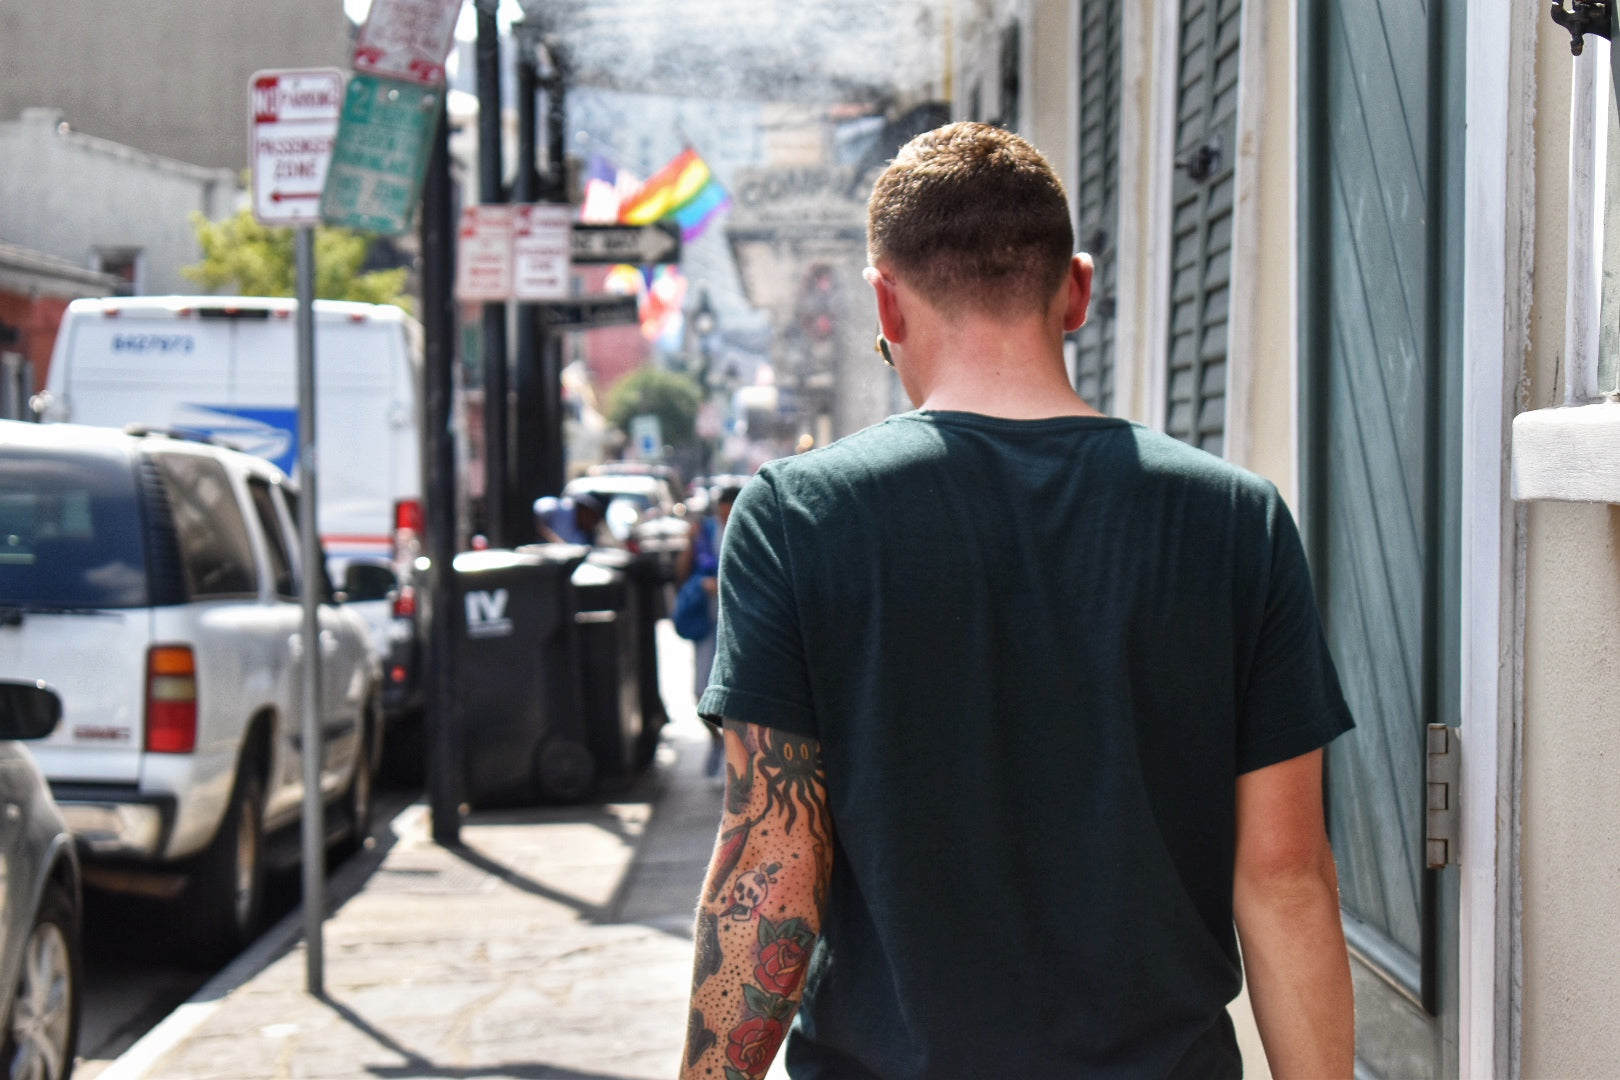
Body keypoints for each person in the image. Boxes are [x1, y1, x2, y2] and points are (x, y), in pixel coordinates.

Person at [680, 122, 1355, 1080]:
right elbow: (1287, 879)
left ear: (887, 302)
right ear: (1076, 290)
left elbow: (770, 867)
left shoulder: (797, 517)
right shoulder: (1234, 519)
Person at [676, 484, 740, 777]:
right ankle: (718, 742)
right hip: (708, 623)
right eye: (722, 514)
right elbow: (681, 572)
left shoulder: (752, 526)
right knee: (701, 693)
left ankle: (734, 751)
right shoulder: (706, 531)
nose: (725, 519)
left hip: (739, 624)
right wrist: (689, 543)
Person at [532, 491, 604, 546]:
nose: (591, 522)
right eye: (591, 516)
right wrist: (549, 535)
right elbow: (534, 515)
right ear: (584, 509)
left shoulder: (581, 537)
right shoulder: (560, 508)